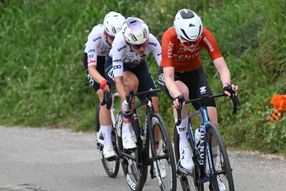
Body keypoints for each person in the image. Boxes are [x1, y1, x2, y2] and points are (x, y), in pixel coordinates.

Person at [158, 9, 238, 172]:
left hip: (195, 73)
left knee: (212, 120)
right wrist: (176, 95)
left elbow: (222, 67)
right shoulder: (170, 37)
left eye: (196, 41)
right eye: (187, 42)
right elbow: (168, 76)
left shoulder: (205, 35)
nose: (193, 45)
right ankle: (184, 146)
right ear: (179, 35)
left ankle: (213, 165)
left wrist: (227, 85)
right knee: (183, 93)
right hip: (173, 75)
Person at [106, 17, 162, 151]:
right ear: (128, 42)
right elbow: (119, 80)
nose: (143, 49)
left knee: (153, 102)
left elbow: (164, 68)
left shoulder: (152, 41)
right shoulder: (119, 44)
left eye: (144, 43)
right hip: (117, 67)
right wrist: (125, 100)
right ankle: (126, 127)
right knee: (131, 83)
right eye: (138, 46)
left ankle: (156, 149)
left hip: (138, 66)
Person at [84, 11, 125, 159]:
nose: (115, 41)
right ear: (106, 33)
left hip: (113, 59)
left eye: (118, 38)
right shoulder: (95, 37)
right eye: (112, 38)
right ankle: (107, 144)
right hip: (97, 64)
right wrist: (102, 82)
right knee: (104, 96)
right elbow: (91, 69)